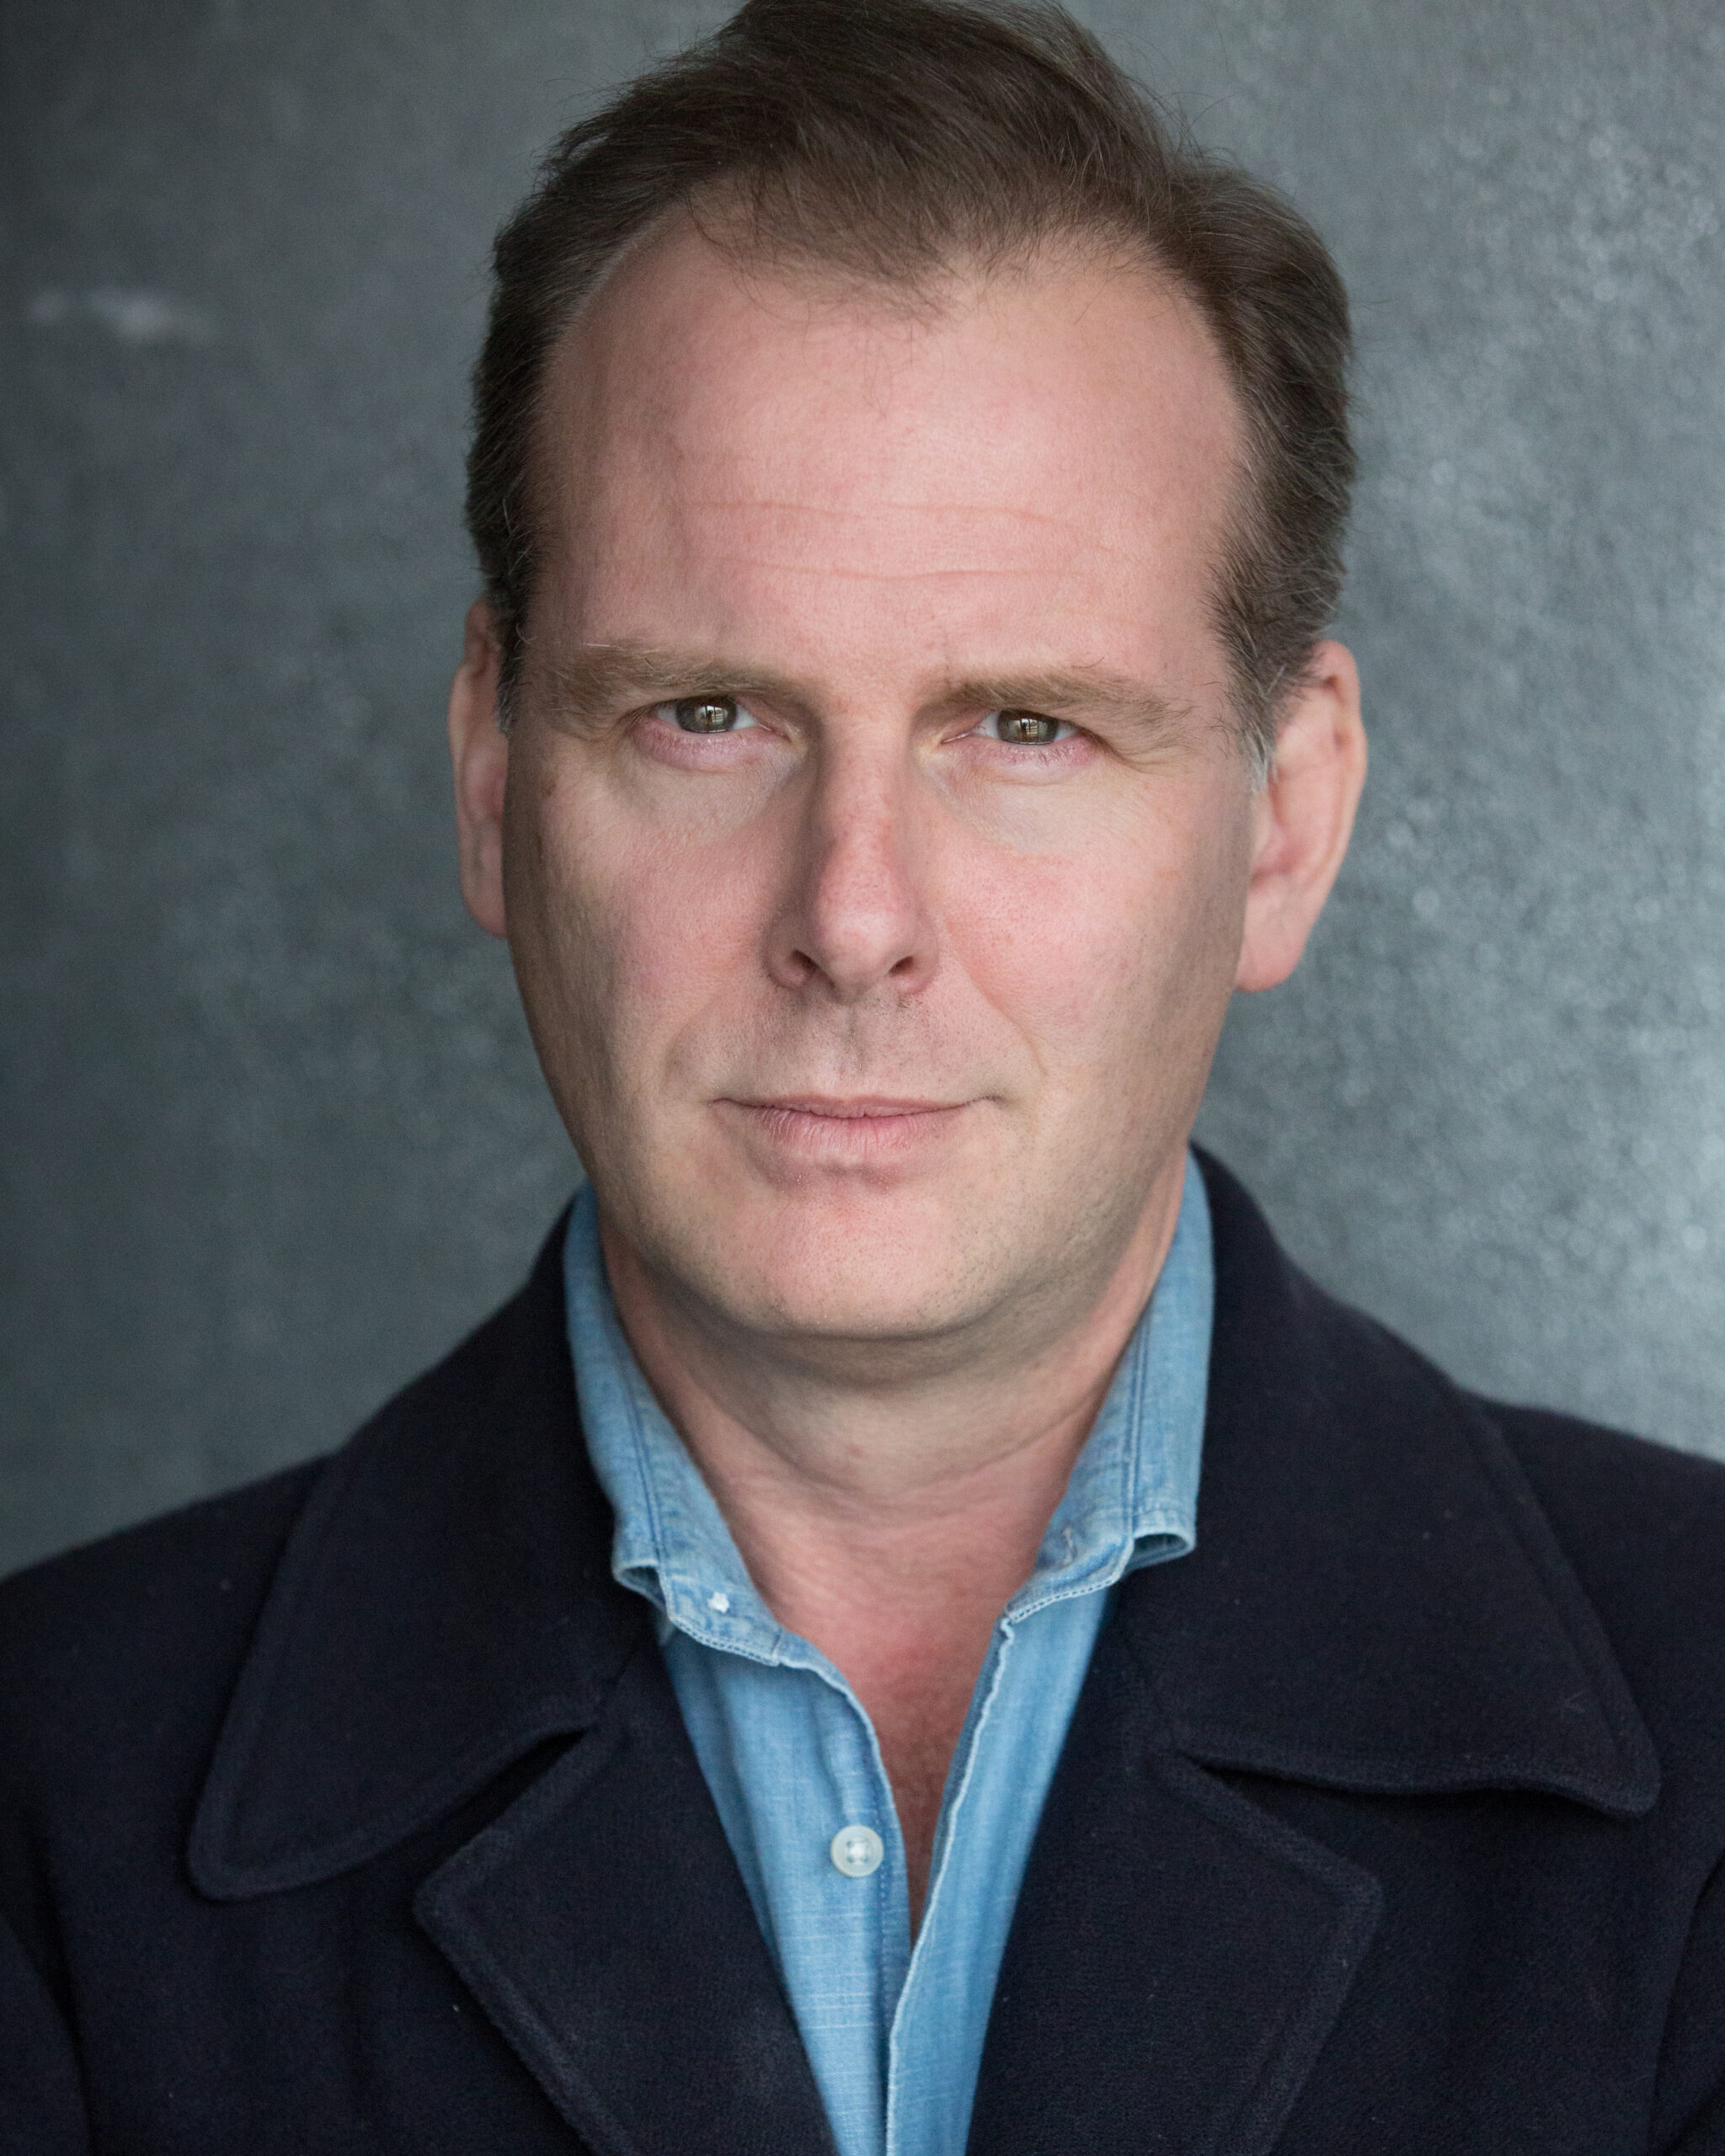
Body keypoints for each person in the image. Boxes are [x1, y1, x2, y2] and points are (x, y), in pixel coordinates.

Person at [4, 0, 1724, 2148]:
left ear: (1283, 823)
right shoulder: (44, 1813)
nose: (851, 915)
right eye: (706, 714)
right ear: (491, 777)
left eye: (1025, 726)